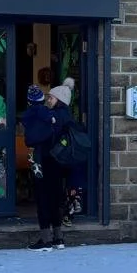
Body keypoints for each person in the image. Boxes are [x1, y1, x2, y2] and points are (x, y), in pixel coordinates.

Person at [18, 84, 69, 250]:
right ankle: (59, 237)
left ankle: (46, 239)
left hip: (40, 159)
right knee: (55, 197)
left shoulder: (30, 116)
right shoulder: (57, 115)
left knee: (42, 199)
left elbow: (29, 139)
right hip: (56, 160)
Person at [47, 77, 87, 225]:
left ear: (59, 100)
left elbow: (51, 135)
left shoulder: (56, 116)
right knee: (72, 183)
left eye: (51, 98)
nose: (49, 100)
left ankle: (58, 216)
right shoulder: (70, 116)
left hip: (61, 156)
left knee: (57, 186)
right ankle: (69, 212)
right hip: (74, 157)